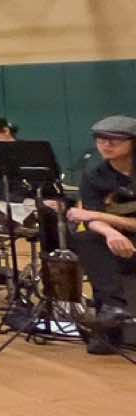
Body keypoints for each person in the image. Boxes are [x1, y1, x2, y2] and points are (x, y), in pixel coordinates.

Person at [69, 115, 136, 356]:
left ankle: (111, 320)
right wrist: (109, 232)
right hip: (119, 243)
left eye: (114, 140)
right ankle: (112, 311)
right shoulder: (94, 175)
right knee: (86, 239)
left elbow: (90, 214)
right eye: (101, 139)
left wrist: (98, 216)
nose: (106, 145)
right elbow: (91, 220)